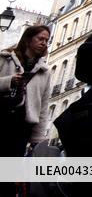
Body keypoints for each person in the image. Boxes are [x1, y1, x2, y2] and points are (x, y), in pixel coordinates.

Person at [0, 24, 52, 195]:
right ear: (29, 40)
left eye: (47, 40)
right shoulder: (5, 59)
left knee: (7, 176)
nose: (44, 43)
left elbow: (43, 107)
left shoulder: (44, 72)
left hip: (20, 128)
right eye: (40, 39)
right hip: (3, 118)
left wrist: (38, 138)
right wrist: (8, 82)